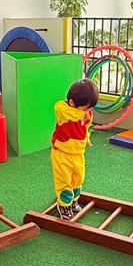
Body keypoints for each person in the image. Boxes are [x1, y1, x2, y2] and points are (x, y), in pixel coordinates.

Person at [51, 79, 98, 220]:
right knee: (64, 180)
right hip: (62, 154)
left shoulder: (86, 113)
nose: (88, 112)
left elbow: (85, 127)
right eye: (85, 108)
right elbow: (60, 108)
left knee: (78, 179)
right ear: (72, 102)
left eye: (90, 108)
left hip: (78, 154)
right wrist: (80, 114)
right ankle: (64, 205)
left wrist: (86, 137)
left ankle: (73, 200)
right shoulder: (63, 110)